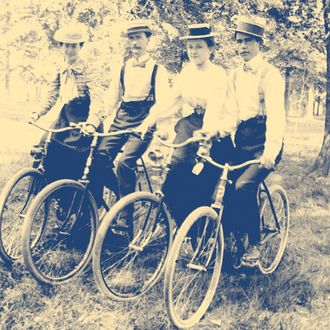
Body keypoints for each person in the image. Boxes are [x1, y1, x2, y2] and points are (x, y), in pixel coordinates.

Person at [138, 23, 235, 227]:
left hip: (218, 129)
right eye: (190, 47)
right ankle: (182, 224)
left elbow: (216, 108)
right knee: (173, 176)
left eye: (199, 46)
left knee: (198, 181)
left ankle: (201, 230)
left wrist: (207, 136)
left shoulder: (218, 75)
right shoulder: (187, 73)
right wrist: (148, 122)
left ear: (211, 49)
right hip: (192, 124)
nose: (194, 51)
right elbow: (170, 101)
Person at [215, 17, 286, 262]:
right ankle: (236, 238)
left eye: (248, 41)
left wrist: (271, 151)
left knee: (244, 186)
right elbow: (232, 114)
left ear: (259, 43)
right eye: (239, 42)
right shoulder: (234, 75)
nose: (242, 47)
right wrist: (219, 131)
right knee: (227, 191)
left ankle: (255, 243)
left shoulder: (270, 74)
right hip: (243, 140)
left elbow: (277, 116)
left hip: (265, 141)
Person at [90, 20, 170, 204]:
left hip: (145, 119)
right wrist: (97, 118)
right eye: (131, 38)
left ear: (148, 40)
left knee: (125, 163)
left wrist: (158, 127)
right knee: (99, 157)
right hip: (123, 116)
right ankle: (122, 195)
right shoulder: (122, 67)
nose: (135, 43)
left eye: (139, 38)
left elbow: (164, 104)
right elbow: (112, 98)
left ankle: (125, 217)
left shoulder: (158, 70)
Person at [30, 24, 104, 182]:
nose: (69, 50)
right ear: (61, 46)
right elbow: (52, 94)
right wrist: (38, 112)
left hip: (85, 118)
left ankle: (75, 199)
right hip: (66, 115)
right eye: (66, 46)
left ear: (81, 46)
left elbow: (98, 99)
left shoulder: (90, 68)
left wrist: (92, 123)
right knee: (45, 146)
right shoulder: (60, 67)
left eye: (73, 46)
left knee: (76, 159)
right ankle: (47, 194)